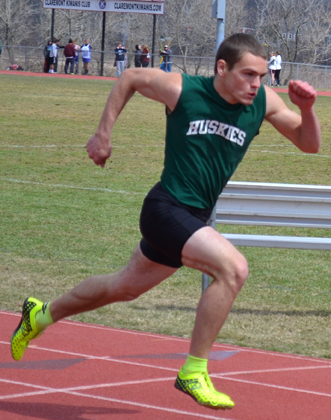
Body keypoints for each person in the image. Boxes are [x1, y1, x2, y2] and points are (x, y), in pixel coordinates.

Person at [10, 33, 321, 410]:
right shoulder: (181, 89)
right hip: (165, 209)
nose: (256, 84)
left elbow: (309, 144)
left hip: (194, 217)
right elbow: (129, 78)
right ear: (222, 68)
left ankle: (41, 314)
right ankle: (193, 370)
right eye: (248, 74)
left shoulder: (264, 103)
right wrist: (103, 133)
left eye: (261, 76)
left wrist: (307, 110)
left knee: (122, 287)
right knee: (233, 269)